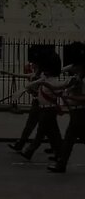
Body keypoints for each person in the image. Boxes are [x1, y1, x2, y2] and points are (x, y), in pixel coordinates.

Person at [47, 42, 85, 172]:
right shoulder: (76, 78)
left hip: (80, 113)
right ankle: (61, 164)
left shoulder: (83, 80)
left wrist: (69, 98)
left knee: (69, 139)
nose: (72, 68)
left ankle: (61, 164)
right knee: (70, 139)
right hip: (75, 112)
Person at [19, 52, 63, 161]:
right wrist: (28, 87)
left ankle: (30, 151)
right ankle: (60, 153)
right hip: (44, 109)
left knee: (41, 132)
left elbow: (59, 92)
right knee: (54, 134)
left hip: (48, 110)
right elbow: (36, 83)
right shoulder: (45, 77)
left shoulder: (53, 80)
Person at [3, 45, 46, 152]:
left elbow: (44, 90)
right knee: (36, 126)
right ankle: (21, 144)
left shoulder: (42, 76)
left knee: (39, 127)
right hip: (37, 103)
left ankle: (22, 145)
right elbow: (19, 75)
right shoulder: (33, 75)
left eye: (34, 64)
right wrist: (8, 73)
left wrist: (31, 90)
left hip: (42, 103)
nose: (32, 65)